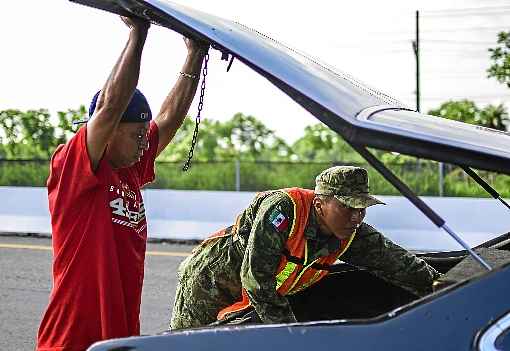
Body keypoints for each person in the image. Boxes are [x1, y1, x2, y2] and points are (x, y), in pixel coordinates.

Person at [36, 16, 207, 350]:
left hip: (120, 334)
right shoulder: (74, 168)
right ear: (108, 131)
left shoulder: (131, 169)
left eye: (145, 136)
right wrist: (138, 32)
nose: (145, 145)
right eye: (136, 136)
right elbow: (112, 104)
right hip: (71, 338)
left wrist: (194, 55)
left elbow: (169, 117)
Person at [170, 166, 442, 329]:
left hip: (253, 294)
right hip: (211, 282)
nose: (357, 216)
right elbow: (256, 279)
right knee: (188, 343)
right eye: (347, 206)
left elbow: (396, 262)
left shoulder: (350, 231)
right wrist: (293, 335)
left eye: (362, 209)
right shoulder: (283, 210)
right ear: (320, 204)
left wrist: (439, 284)